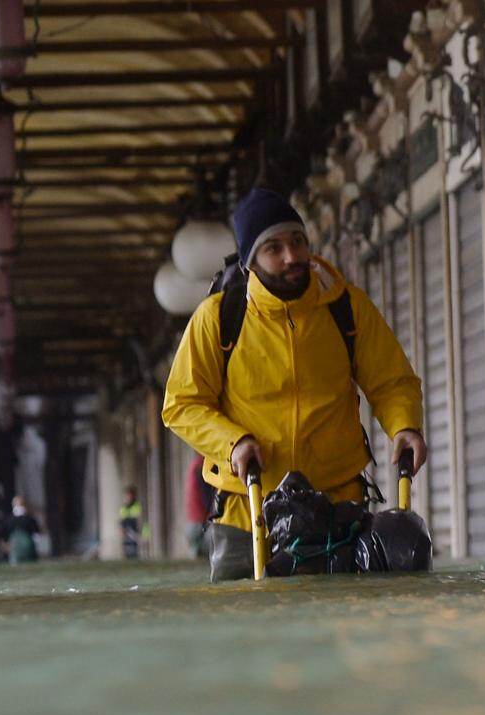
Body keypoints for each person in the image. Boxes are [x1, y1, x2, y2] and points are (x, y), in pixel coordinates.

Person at [163, 188, 427, 581]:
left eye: (298, 241)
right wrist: (232, 442)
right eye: (274, 247)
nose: (291, 256)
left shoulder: (345, 307)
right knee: (245, 634)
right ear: (251, 262)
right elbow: (181, 405)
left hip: (339, 510)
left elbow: (391, 380)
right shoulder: (217, 318)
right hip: (246, 512)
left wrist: (404, 425)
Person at [184, 453, 211, 559]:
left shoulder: (195, 466)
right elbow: (206, 494)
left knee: (196, 555)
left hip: (193, 519)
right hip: (201, 519)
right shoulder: (202, 466)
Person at [5, 494, 42, 565]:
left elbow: (36, 533)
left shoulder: (29, 519)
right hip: (15, 547)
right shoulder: (10, 519)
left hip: (28, 546)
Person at [119, 486, 146, 560]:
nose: (128, 497)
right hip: (127, 534)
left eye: (130, 495)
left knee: (136, 554)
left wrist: (145, 535)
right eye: (127, 495)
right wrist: (122, 532)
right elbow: (122, 522)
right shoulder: (123, 508)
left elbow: (143, 522)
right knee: (127, 554)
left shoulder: (138, 506)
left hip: (136, 534)